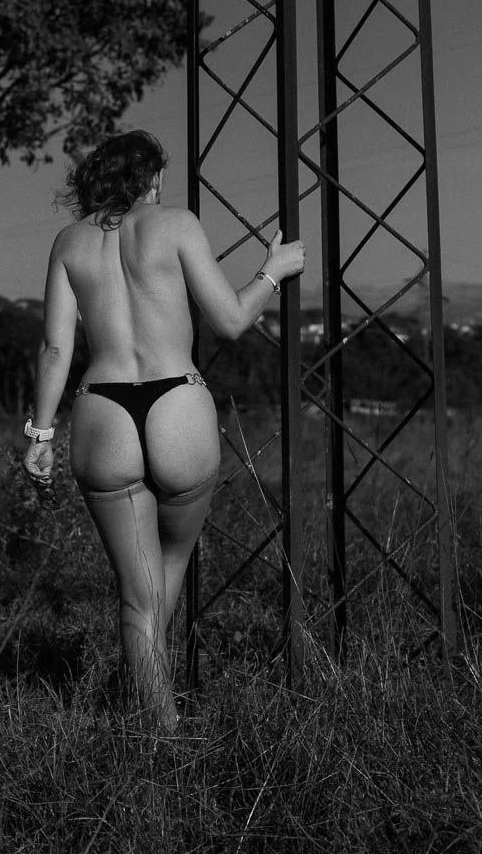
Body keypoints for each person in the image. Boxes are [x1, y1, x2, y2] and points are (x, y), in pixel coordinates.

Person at [22, 131, 305, 732]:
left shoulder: (68, 242)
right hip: (177, 402)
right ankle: (160, 723)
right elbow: (230, 320)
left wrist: (40, 434)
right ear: (152, 179)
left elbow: (55, 349)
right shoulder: (177, 224)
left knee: (137, 592)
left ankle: (157, 722)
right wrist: (273, 272)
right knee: (168, 568)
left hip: (102, 410)